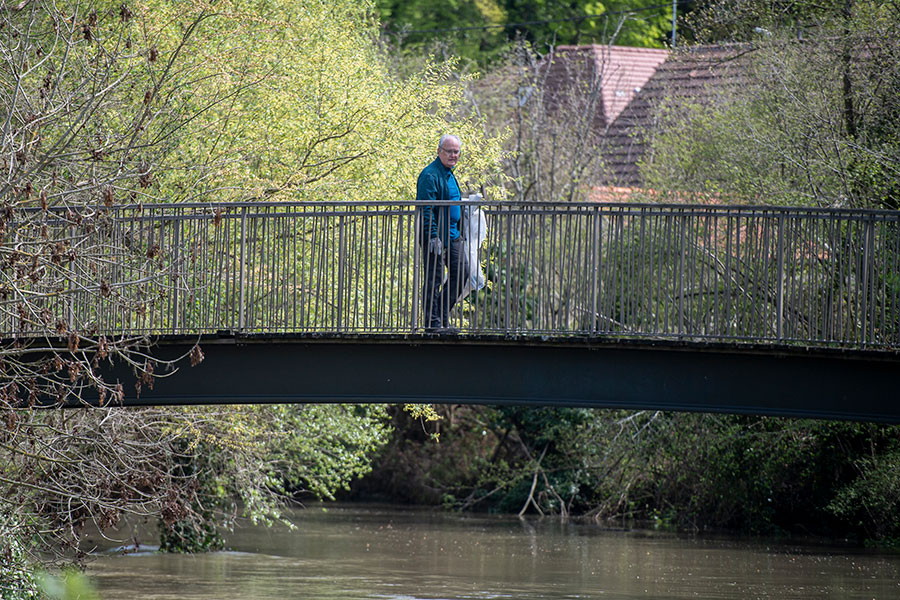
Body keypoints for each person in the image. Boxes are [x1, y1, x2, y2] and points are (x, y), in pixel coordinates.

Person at [417, 134, 467, 334]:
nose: (453, 155)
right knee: (434, 279)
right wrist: (432, 236)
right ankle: (432, 324)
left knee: (463, 272)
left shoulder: (450, 173)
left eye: (456, 152)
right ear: (439, 152)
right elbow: (426, 208)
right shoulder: (430, 175)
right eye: (449, 151)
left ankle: (442, 315)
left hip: (453, 236)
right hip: (436, 237)